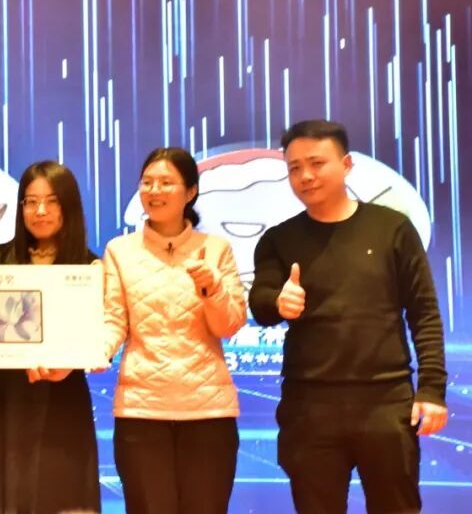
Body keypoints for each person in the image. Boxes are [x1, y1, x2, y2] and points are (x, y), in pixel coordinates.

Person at [249, 119, 448, 513]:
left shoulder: (391, 228)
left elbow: (424, 311)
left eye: (316, 163)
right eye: (294, 167)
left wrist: (431, 390)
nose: (305, 176)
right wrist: (278, 302)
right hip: (309, 407)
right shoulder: (279, 239)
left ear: (347, 164)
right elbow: (260, 301)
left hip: (385, 401)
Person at [102, 147, 246, 514]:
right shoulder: (119, 251)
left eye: (166, 183)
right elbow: (113, 318)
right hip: (141, 412)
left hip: (208, 412)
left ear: (190, 191)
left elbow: (229, 324)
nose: (154, 191)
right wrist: (97, 351)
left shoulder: (216, 249)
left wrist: (213, 288)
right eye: (147, 182)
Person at [0, 160, 102, 514]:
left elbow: (98, 338)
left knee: (61, 496)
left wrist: (70, 361)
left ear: (69, 207)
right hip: (5, 399)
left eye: (52, 201)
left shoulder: (91, 267)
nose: (40, 211)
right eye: (31, 201)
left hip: (64, 398)